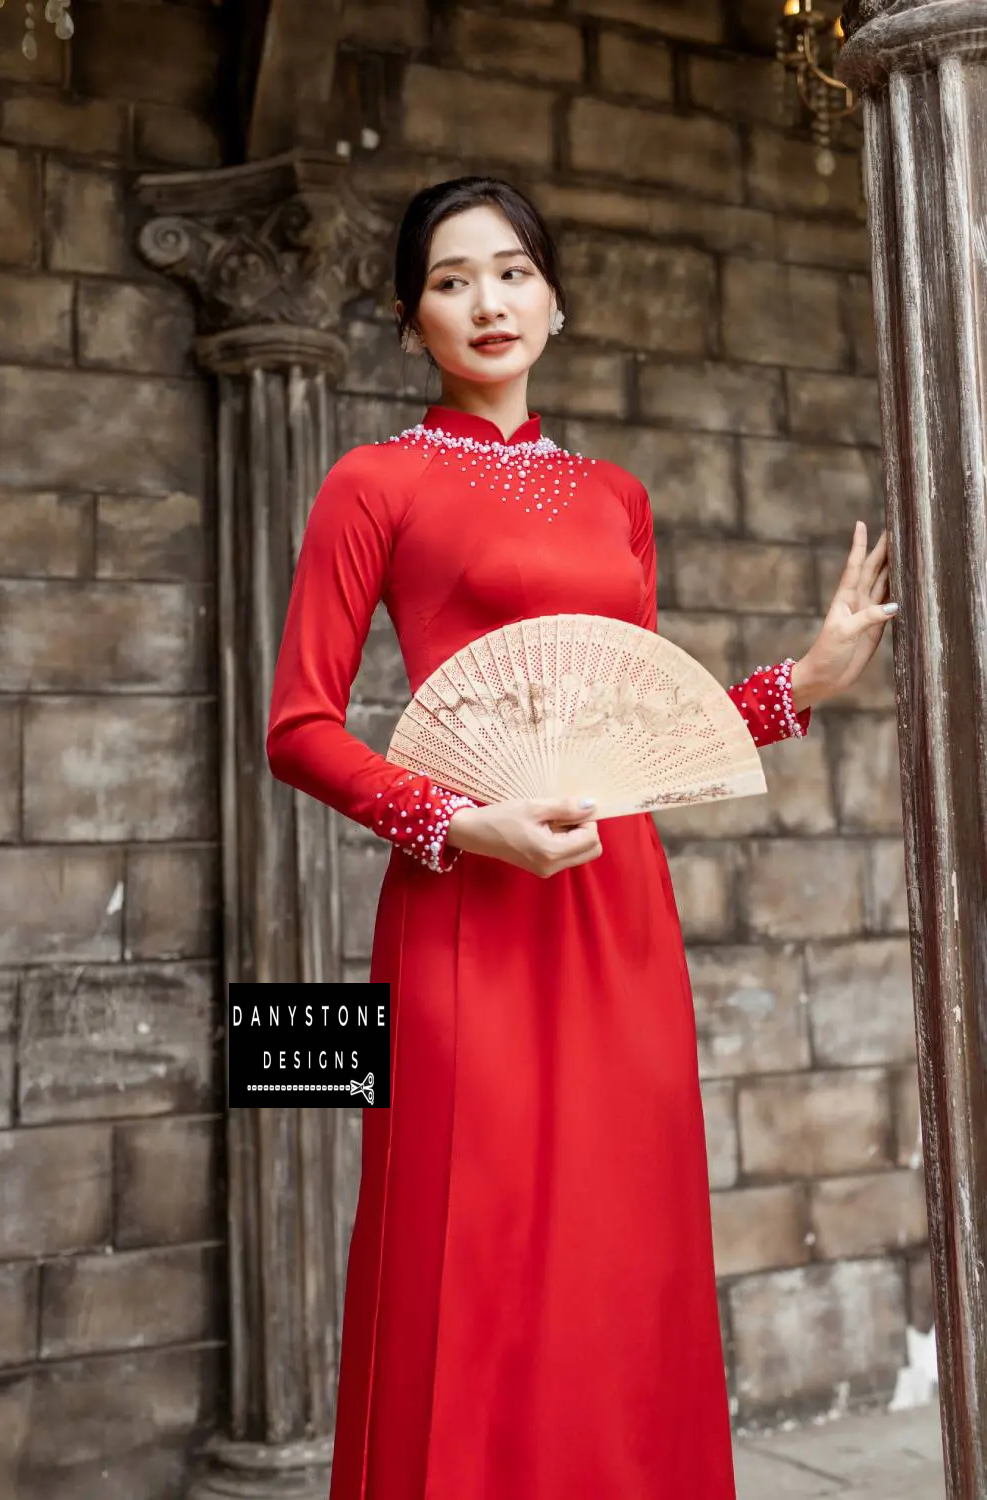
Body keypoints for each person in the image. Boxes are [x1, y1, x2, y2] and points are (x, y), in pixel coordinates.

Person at [266, 176, 896, 1500]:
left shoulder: (617, 495)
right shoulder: (370, 484)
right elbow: (299, 727)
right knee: (465, 1247)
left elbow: (640, 736)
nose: (487, 302)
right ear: (406, 316)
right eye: (450, 281)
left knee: (623, 1254)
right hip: (462, 908)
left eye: (511, 272)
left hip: (617, 909)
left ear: (554, 297)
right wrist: (456, 819)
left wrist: (804, 685)